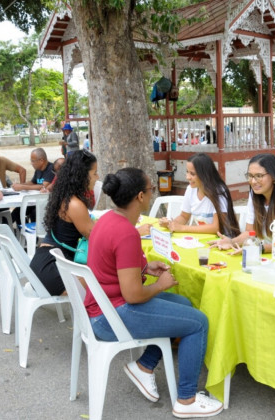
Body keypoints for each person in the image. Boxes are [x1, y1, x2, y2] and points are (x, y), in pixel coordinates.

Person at [84, 167, 223, 418]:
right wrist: (160, 284)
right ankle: (187, 400)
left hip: (102, 307)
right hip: (111, 316)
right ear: (139, 196)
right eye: (150, 190)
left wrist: (145, 267)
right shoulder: (127, 233)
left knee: (184, 303)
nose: (151, 194)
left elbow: (114, 266)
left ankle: (145, 366)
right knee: (199, 323)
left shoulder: (107, 219)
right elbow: (133, 296)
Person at [209, 153, 275, 257]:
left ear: (274, 176)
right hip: (271, 251)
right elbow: (250, 232)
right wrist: (231, 242)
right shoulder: (255, 193)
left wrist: (258, 249)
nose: (253, 181)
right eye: (250, 176)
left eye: (259, 176)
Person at [30, 150, 98, 296]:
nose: (97, 178)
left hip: (43, 262)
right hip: (52, 270)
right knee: (107, 276)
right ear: (83, 176)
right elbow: (98, 239)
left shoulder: (64, 197)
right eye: (94, 173)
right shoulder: (74, 204)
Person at [159, 153, 240, 236]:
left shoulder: (218, 192)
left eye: (192, 174)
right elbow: (184, 216)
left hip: (224, 241)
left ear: (204, 174)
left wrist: (183, 228)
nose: (187, 177)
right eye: (187, 172)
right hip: (203, 240)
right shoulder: (190, 189)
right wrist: (172, 224)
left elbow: (216, 227)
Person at [11, 148, 55, 225]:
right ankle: (23, 232)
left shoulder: (51, 169)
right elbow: (32, 182)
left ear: (41, 160)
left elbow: (43, 186)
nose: (31, 163)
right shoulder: (38, 169)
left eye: (33, 161)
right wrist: (20, 185)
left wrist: (22, 187)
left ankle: (34, 235)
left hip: (45, 203)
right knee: (17, 212)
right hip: (34, 201)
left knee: (34, 214)